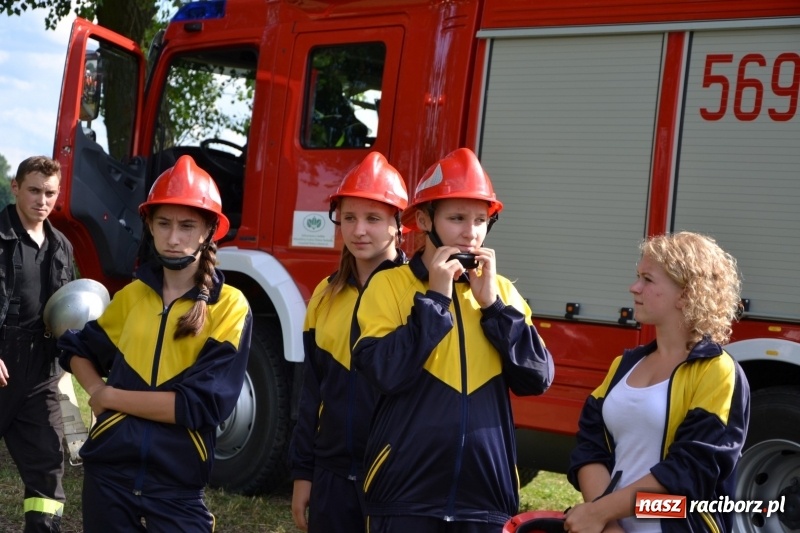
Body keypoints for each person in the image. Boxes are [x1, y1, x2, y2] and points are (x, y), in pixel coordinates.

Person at [351, 147, 555, 533]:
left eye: (481, 219)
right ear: (425, 220)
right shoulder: (389, 285)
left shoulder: (504, 293)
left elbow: (537, 378)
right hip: (404, 498)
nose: (471, 232)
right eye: (457, 218)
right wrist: (436, 299)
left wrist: (493, 306)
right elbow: (385, 373)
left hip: (486, 502)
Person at [56, 155, 253, 532]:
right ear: (148, 224)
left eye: (187, 225)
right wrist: (95, 387)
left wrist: (110, 397)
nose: (174, 237)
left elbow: (199, 407)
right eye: (163, 224)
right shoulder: (131, 297)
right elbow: (76, 349)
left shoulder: (230, 306)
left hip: (176, 489)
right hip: (107, 480)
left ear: (209, 230)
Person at [565, 231, 750, 533]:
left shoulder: (717, 370)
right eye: (638, 276)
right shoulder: (623, 365)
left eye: (648, 280)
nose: (634, 287)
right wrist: (608, 524)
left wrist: (599, 513)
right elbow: (590, 445)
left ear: (687, 293)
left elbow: (690, 472)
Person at [289, 152, 409, 532]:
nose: (359, 230)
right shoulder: (325, 296)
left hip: (399, 478)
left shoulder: (420, 296)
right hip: (332, 476)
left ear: (397, 224)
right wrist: (304, 474)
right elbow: (311, 395)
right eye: (349, 217)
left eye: (373, 218)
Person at [0, 155, 74, 533]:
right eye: (33, 190)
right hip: (1, 360)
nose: (41, 200)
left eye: (49, 193)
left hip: (43, 368)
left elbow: (71, 310)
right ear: (15, 188)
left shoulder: (62, 246)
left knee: (47, 466)